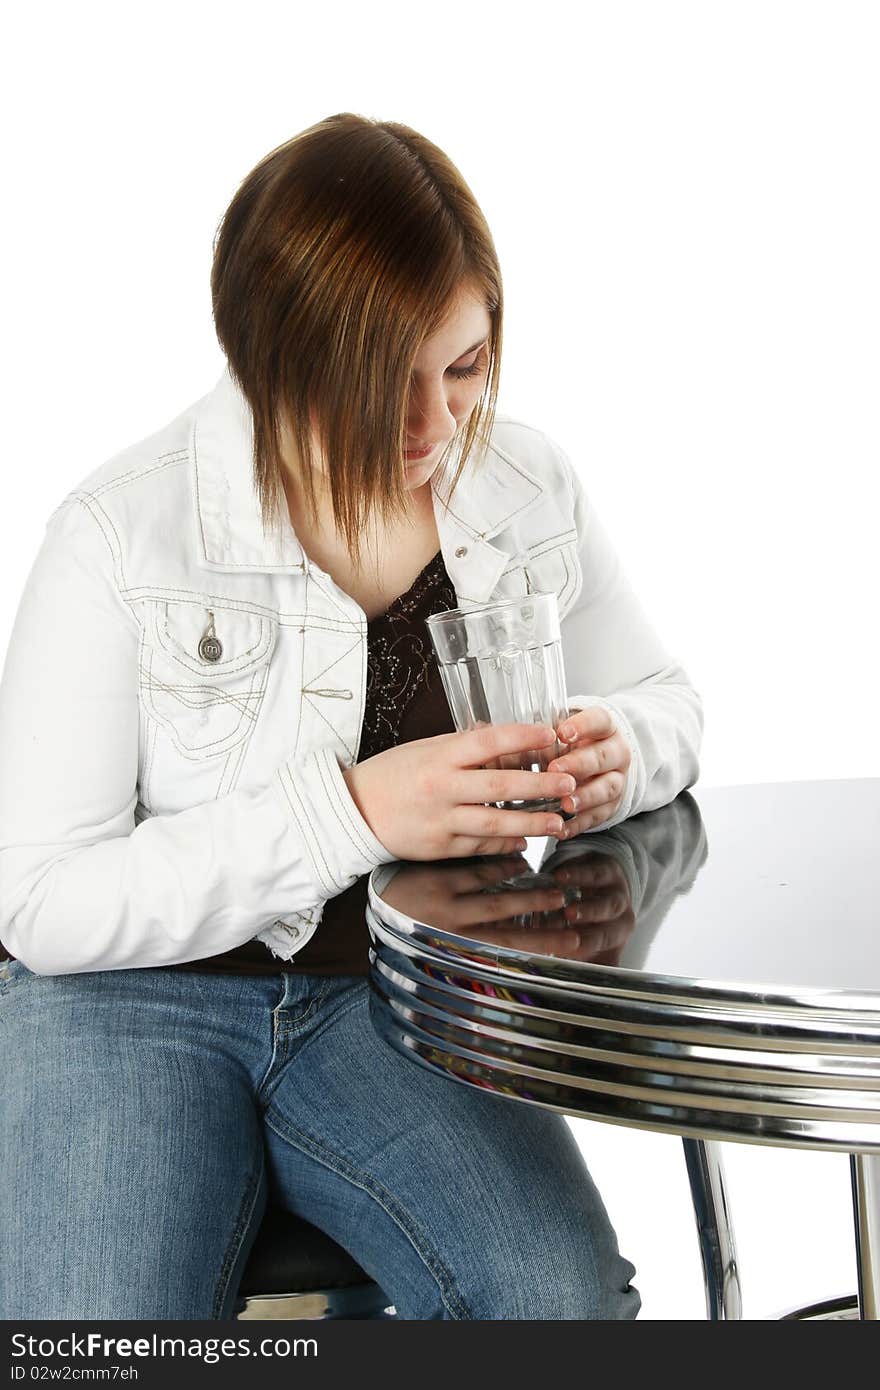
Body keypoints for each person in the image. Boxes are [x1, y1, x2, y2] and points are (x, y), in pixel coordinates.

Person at [0, 112, 702, 1320]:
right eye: (386, 381)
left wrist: (613, 750)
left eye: (465, 365)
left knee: (557, 1302)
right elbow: (39, 899)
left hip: (396, 996)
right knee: (90, 1340)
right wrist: (355, 811)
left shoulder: (525, 486)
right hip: (124, 1000)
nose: (434, 428)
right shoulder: (120, 531)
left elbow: (667, 704)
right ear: (274, 359)